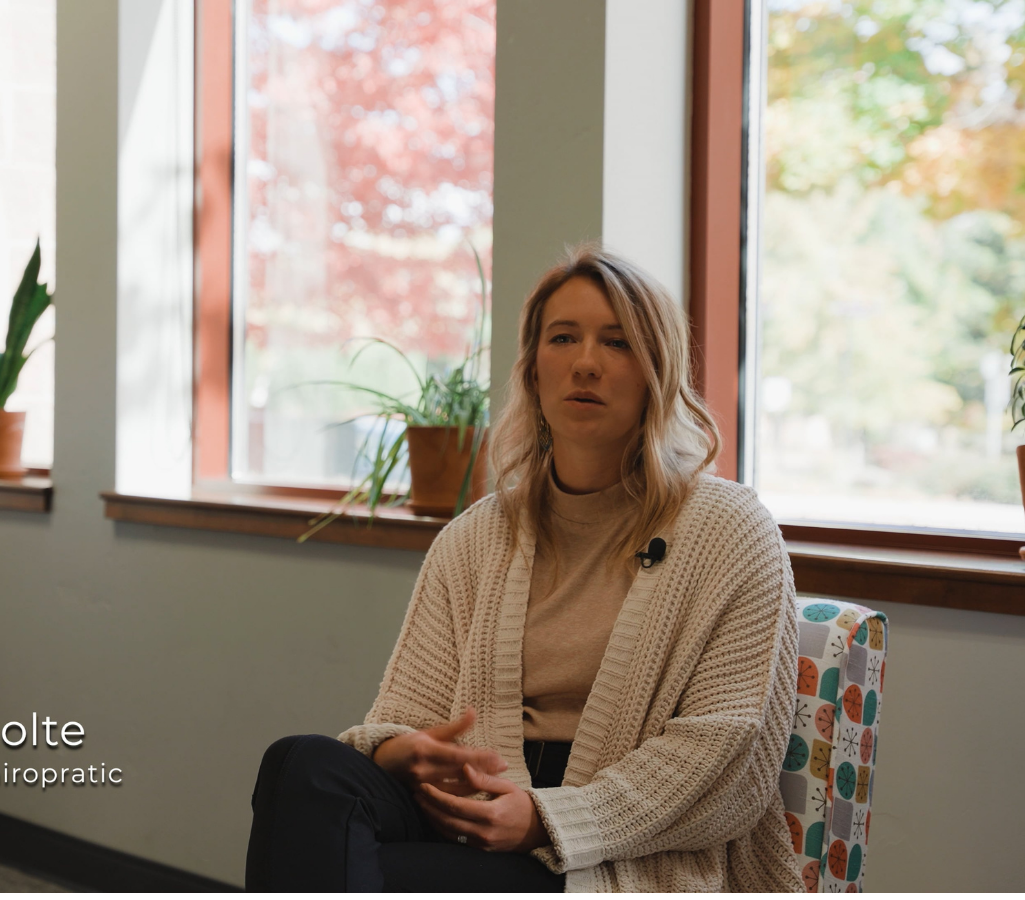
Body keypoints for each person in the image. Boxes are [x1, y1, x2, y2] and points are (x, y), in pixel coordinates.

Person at [245, 246, 804, 892]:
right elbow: (405, 713)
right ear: (534, 370)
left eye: (617, 343)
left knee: (349, 873)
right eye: (563, 338)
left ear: (658, 370)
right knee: (301, 766)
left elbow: (725, 756)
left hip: (615, 850)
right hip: (469, 814)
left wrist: (545, 819)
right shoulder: (476, 538)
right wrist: (401, 753)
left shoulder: (730, 531)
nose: (586, 363)